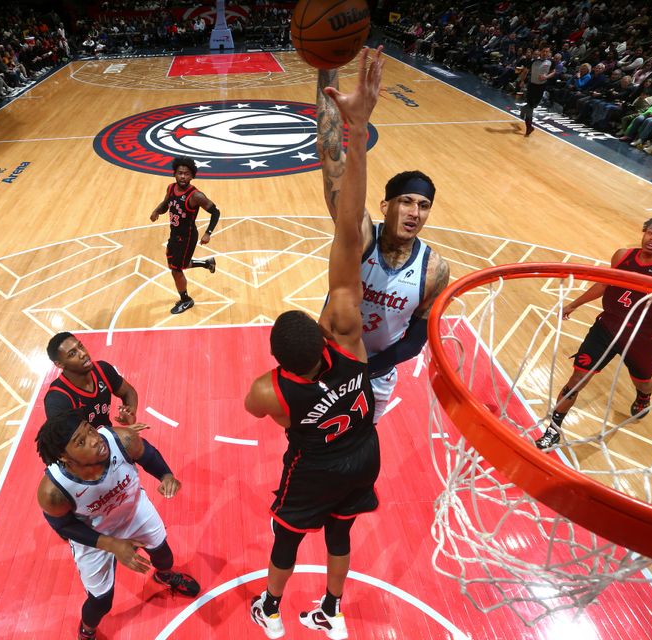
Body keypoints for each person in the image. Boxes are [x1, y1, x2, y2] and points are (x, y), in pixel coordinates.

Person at [244, 47, 384, 640]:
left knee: (286, 535)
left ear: (279, 361)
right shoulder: (348, 336)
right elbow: (349, 228)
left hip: (316, 463)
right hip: (363, 450)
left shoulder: (267, 389)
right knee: (342, 531)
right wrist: (356, 126)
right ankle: (330, 610)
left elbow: (263, 411)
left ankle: (271, 611)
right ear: (323, 331)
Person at [316, 60, 449, 426]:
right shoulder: (361, 236)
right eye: (406, 201)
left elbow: (416, 339)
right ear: (385, 206)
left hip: (376, 375)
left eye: (423, 206)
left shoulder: (435, 269)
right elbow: (331, 157)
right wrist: (324, 67)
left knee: (362, 451)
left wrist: (368, 369)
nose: (415, 213)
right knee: (311, 450)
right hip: (328, 365)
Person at [535, 213, 652, 449]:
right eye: (651, 231)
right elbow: (604, 284)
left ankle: (644, 396)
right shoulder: (623, 255)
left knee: (643, 382)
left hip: (643, 337)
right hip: (606, 327)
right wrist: (575, 304)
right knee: (576, 379)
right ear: (644, 231)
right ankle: (553, 429)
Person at [36, 409, 200, 640]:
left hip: (133, 510)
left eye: (90, 430)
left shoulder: (122, 439)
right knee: (101, 601)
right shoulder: (53, 491)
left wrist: (166, 476)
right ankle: (87, 631)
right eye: (81, 442)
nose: (95, 440)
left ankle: (164, 576)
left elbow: (148, 455)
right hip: (94, 536)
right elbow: (63, 527)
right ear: (64, 457)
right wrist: (111, 544)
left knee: (164, 555)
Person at [150, 156, 219, 314]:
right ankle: (207, 263)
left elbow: (216, 212)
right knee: (175, 263)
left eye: (186, 174)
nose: (182, 176)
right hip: (174, 234)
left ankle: (186, 300)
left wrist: (208, 233)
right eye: (180, 173)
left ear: (192, 175)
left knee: (176, 269)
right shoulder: (170, 188)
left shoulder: (196, 196)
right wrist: (156, 211)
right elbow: (165, 204)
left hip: (187, 237)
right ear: (174, 174)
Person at [44, 332, 138, 427]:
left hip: (108, 436)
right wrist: (120, 433)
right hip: (88, 441)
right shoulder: (57, 399)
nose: (83, 353)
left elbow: (128, 392)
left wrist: (130, 412)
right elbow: (68, 439)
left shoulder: (103, 370)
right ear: (59, 364)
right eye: (72, 354)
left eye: (80, 346)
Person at [519, 46, 556, 136]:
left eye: (547, 51)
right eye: (543, 51)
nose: (545, 53)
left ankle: (523, 109)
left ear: (549, 53)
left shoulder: (551, 62)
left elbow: (554, 72)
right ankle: (529, 127)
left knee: (533, 106)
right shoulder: (533, 61)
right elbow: (525, 71)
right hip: (532, 86)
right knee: (531, 107)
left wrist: (546, 77)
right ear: (541, 52)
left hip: (542, 86)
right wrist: (522, 81)